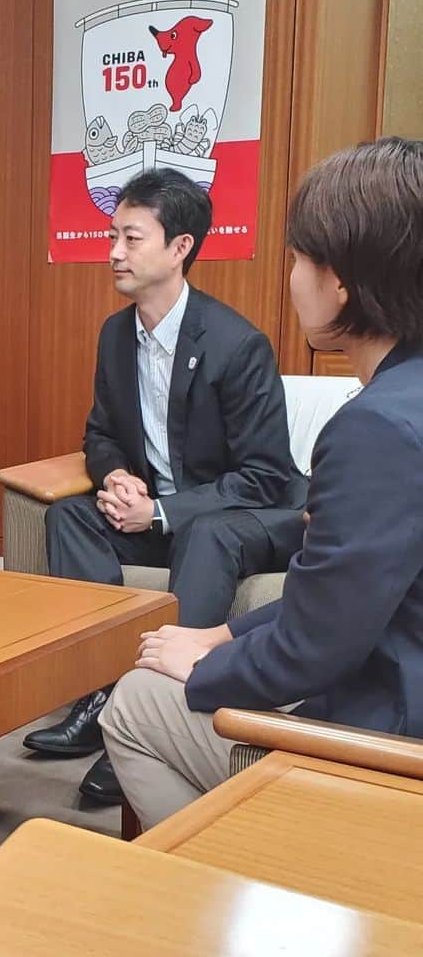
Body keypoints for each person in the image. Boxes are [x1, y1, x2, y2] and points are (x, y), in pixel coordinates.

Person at [100, 137, 423, 830]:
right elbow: (349, 591)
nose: (294, 277)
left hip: (391, 735)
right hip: (390, 662)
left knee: (134, 702)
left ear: (343, 280)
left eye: (300, 259)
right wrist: (223, 633)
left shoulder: (376, 431)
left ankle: (256, 887)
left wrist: (206, 667)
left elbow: (316, 647)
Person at [22, 168, 307, 807]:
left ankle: (155, 712)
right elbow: (100, 433)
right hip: (159, 512)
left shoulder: (237, 345)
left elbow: (264, 477)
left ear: (180, 248)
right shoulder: (115, 334)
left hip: (244, 517)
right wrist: (117, 475)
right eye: (111, 236)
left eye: (131, 237)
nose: (113, 252)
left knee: (203, 532)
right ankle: (99, 695)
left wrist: (160, 512)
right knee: (68, 516)